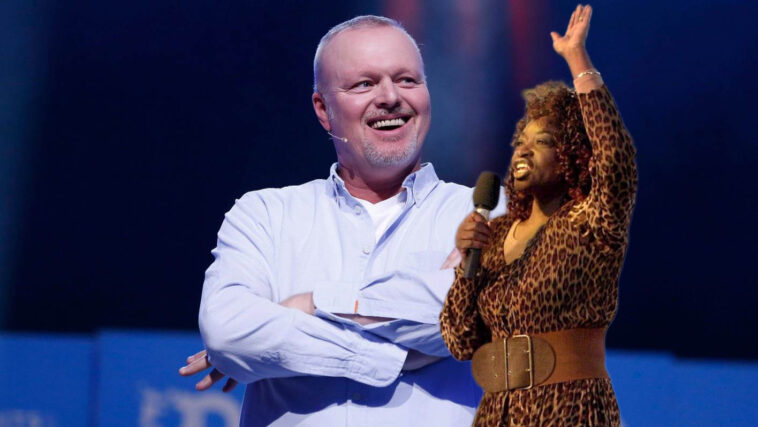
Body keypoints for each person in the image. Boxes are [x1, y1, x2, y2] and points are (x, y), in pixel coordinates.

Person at [181, 15, 505, 426]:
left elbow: (469, 311)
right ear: (323, 109)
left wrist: (312, 306)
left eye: (406, 80)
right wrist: (389, 355)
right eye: (364, 84)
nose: (390, 97)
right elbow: (228, 333)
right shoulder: (263, 215)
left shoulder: (492, 211)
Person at [440, 4, 636, 426]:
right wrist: (467, 266)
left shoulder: (589, 223)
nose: (523, 151)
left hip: (570, 409)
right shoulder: (495, 234)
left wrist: (577, 60)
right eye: (520, 142)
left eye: (542, 141)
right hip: (497, 414)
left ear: (572, 156)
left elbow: (616, 161)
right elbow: (459, 340)